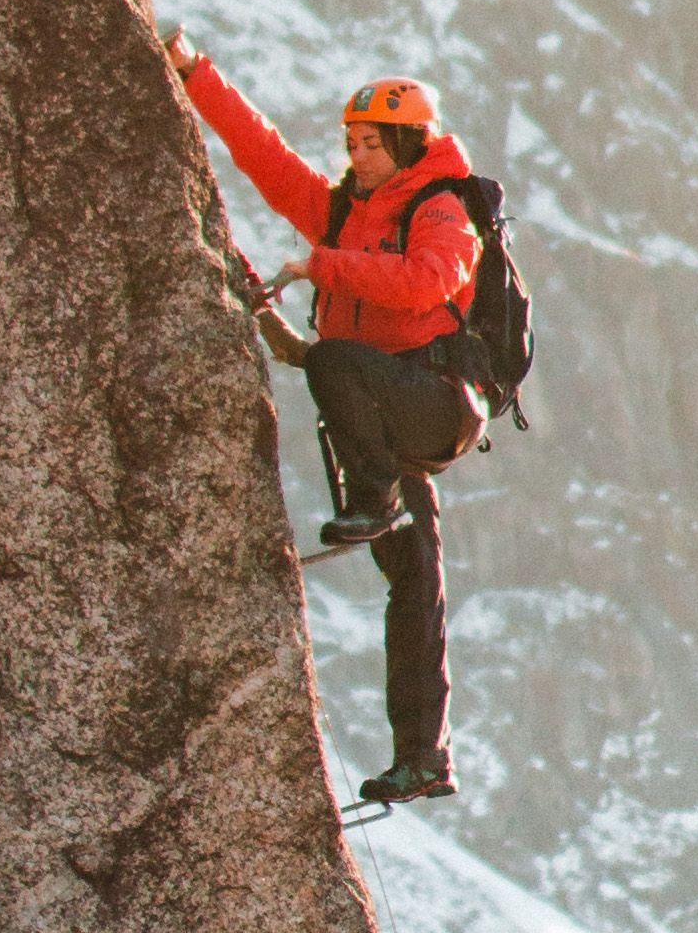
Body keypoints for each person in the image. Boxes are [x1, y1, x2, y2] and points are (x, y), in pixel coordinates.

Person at [170, 46, 483, 809]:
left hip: (432, 403)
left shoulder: (441, 208)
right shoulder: (349, 211)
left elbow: (427, 283)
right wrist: (194, 76)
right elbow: (267, 161)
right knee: (415, 585)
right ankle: (422, 757)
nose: (357, 154)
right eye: (351, 143)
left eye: (371, 142)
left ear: (408, 143)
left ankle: (374, 499)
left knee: (334, 360)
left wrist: (324, 269)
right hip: (387, 409)